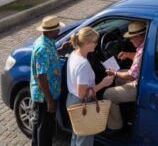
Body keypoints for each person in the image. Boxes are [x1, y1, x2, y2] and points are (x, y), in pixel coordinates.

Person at [66, 27, 114, 146]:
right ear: (87, 43)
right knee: (84, 141)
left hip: (71, 100)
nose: (96, 45)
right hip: (82, 103)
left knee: (76, 135)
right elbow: (82, 94)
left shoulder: (74, 54)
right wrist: (103, 84)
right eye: (94, 42)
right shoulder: (83, 64)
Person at [30, 16, 70, 146]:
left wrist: (60, 50)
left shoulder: (46, 42)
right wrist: (50, 100)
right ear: (49, 31)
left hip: (44, 95)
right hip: (44, 97)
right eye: (57, 30)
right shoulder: (43, 49)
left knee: (39, 124)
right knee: (45, 130)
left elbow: (48, 61)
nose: (59, 32)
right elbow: (42, 76)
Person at [104, 21, 147, 131]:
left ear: (138, 36)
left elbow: (131, 76)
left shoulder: (141, 50)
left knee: (107, 94)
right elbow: (139, 58)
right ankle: (123, 110)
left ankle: (115, 127)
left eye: (132, 37)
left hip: (140, 86)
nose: (130, 40)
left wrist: (114, 73)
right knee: (118, 79)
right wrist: (128, 55)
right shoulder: (146, 44)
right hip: (144, 79)